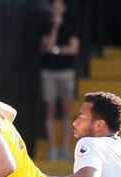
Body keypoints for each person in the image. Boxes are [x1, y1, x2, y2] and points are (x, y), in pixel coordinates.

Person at [38, 0, 80, 161]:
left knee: (66, 110)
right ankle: (53, 149)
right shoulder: (44, 26)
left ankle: (66, 149)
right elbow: (47, 46)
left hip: (67, 72)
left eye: (59, 5)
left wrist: (55, 50)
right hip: (49, 72)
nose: (57, 8)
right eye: (54, 5)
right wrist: (55, 27)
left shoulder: (71, 25)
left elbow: (74, 49)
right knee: (49, 109)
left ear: (64, 7)